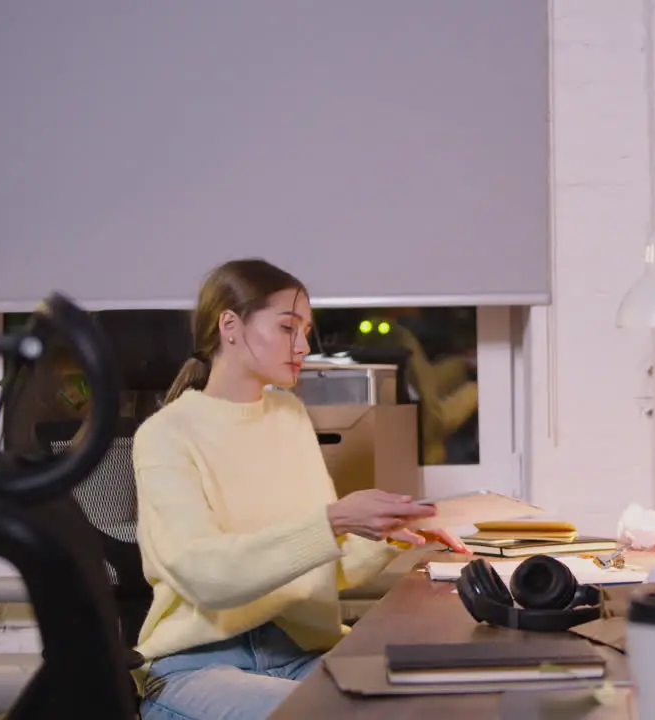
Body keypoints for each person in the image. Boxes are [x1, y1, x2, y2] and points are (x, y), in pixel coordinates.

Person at [131, 258, 469, 719]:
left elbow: (318, 570)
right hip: (202, 665)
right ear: (230, 325)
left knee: (436, 707)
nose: (303, 345)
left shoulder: (289, 417)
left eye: (306, 330)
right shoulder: (166, 434)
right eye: (288, 328)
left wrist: (392, 534)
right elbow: (205, 577)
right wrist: (334, 521)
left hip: (301, 653)